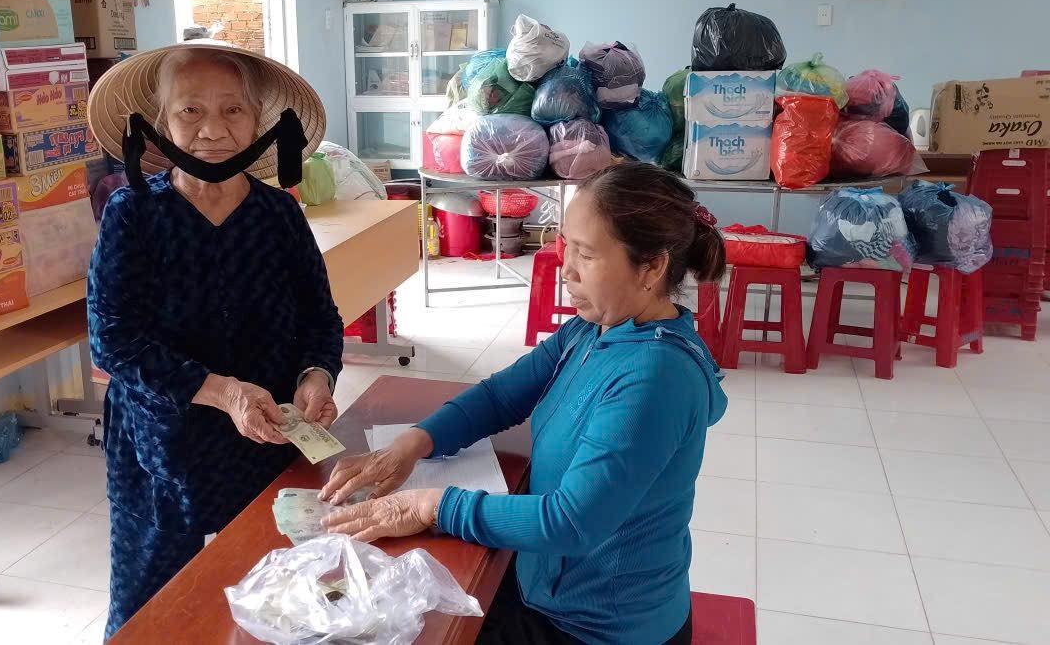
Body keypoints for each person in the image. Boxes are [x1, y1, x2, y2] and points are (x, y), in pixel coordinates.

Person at [321, 164, 728, 645]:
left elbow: (571, 522)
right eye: (565, 245)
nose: (567, 267)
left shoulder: (655, 376)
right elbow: (500, 396)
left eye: (586, 254)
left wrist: (432, 505)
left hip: (597, 627)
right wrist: (411, 445)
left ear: (652, 267)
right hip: (548, 585)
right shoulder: (594, 329)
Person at [85, 43, 344, 638]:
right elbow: (113, 339)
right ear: (160, 124)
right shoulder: (134, 214)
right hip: (163, 442)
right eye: (190, 111)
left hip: (264, 437)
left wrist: (316, 375)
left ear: (259, 121)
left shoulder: (279, 214)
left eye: (233, 111)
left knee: (270, 581)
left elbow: (320, 318)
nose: (213, 131)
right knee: (150, 594)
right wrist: (222, 392)